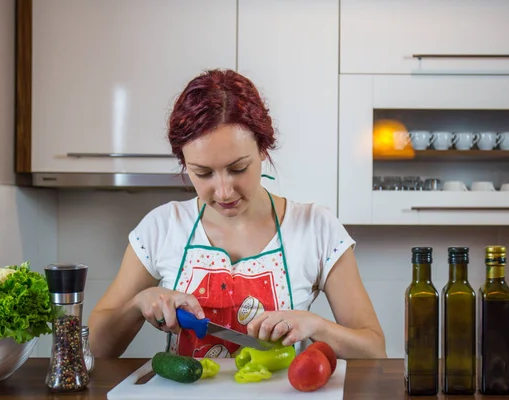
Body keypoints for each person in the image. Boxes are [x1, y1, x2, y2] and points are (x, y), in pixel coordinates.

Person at [88, 69, 386, 360]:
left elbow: (374, 350)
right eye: (203, 173)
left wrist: (316, 325)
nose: (224, 191)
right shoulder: (161, 227)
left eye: (238, 168)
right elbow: (98, 348)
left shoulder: (316, 228)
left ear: (263, 150)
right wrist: (138, 304)